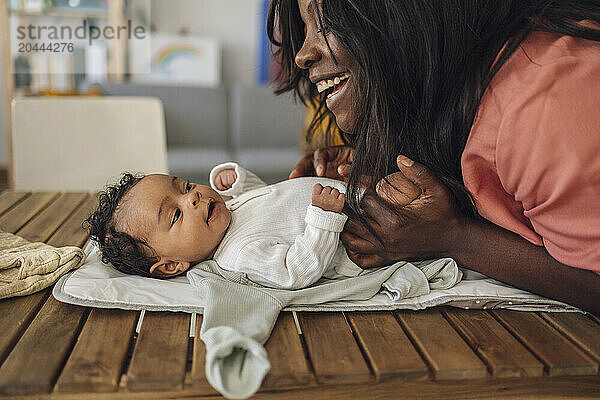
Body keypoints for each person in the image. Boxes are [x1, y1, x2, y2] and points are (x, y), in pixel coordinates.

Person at [267, 0, 600, 312]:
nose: (302, 55)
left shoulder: (541, 106)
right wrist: (373, 164)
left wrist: (453, 238)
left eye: (324, 23)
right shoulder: (449, 89)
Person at [84, 162, 376, 289]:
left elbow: (269, 203)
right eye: (175, 215)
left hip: (360, 198)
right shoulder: (238, 254)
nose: (193, 198)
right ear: (171, 265)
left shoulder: (227, 214)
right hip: (368, 235)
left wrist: (241, 184)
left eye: (184, 186)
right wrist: (323, 220)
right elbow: (295, 271)